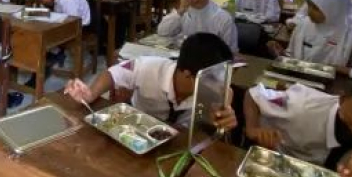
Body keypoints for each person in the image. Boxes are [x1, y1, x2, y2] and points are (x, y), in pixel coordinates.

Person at [64, 33, 237, 130]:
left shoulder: (208, 89)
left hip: (178, 141)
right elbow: (113, 74)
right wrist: (91, 93)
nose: (218, 85)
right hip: (137, 128)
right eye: (212, 79)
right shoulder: (149, 67)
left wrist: (225, 113)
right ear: (187, 75)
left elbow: (227, 92)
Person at [271, 0, 352, 73]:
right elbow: (292, 56)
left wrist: (345, 70)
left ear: (333, 9)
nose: (309, 12)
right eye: (309, 6)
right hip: (299, 80)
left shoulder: (351, 35)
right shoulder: (304, 24)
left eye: (316, 8)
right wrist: (282, 54)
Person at [158, 0, 238, 53]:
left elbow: (230, 49)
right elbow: (163, 32)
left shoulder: (223, 17)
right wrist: (181, 10)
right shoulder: (184, 13)